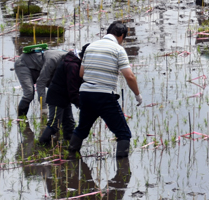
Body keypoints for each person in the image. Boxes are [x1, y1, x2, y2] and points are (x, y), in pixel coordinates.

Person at [69, 22, 141, 159]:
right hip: (104, 96)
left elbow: (81, 73)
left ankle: (71, 157)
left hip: (85, 94)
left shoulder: (90, 46)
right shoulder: (118, 49)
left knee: (82, 129)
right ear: (121, 36)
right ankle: (122, 172)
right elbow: (130, 76)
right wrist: (137, 95)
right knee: (123, 133)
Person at [38, 45, 86, 145]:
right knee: (54, 124)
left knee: (69, 123)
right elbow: (72, 87)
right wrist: (79, 103)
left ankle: (69, 144)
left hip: (65, 97)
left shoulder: (75, 62)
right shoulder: (73, 66)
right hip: (57, 97)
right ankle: (41, 145)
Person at [12, 45, 65, 118]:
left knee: (57, 87)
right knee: (29, 93)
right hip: (23, 64)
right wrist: (43, 108)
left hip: (38, 67)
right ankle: (21, 120)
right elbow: (40, 83)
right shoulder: (53, 60)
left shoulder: (69, 59)